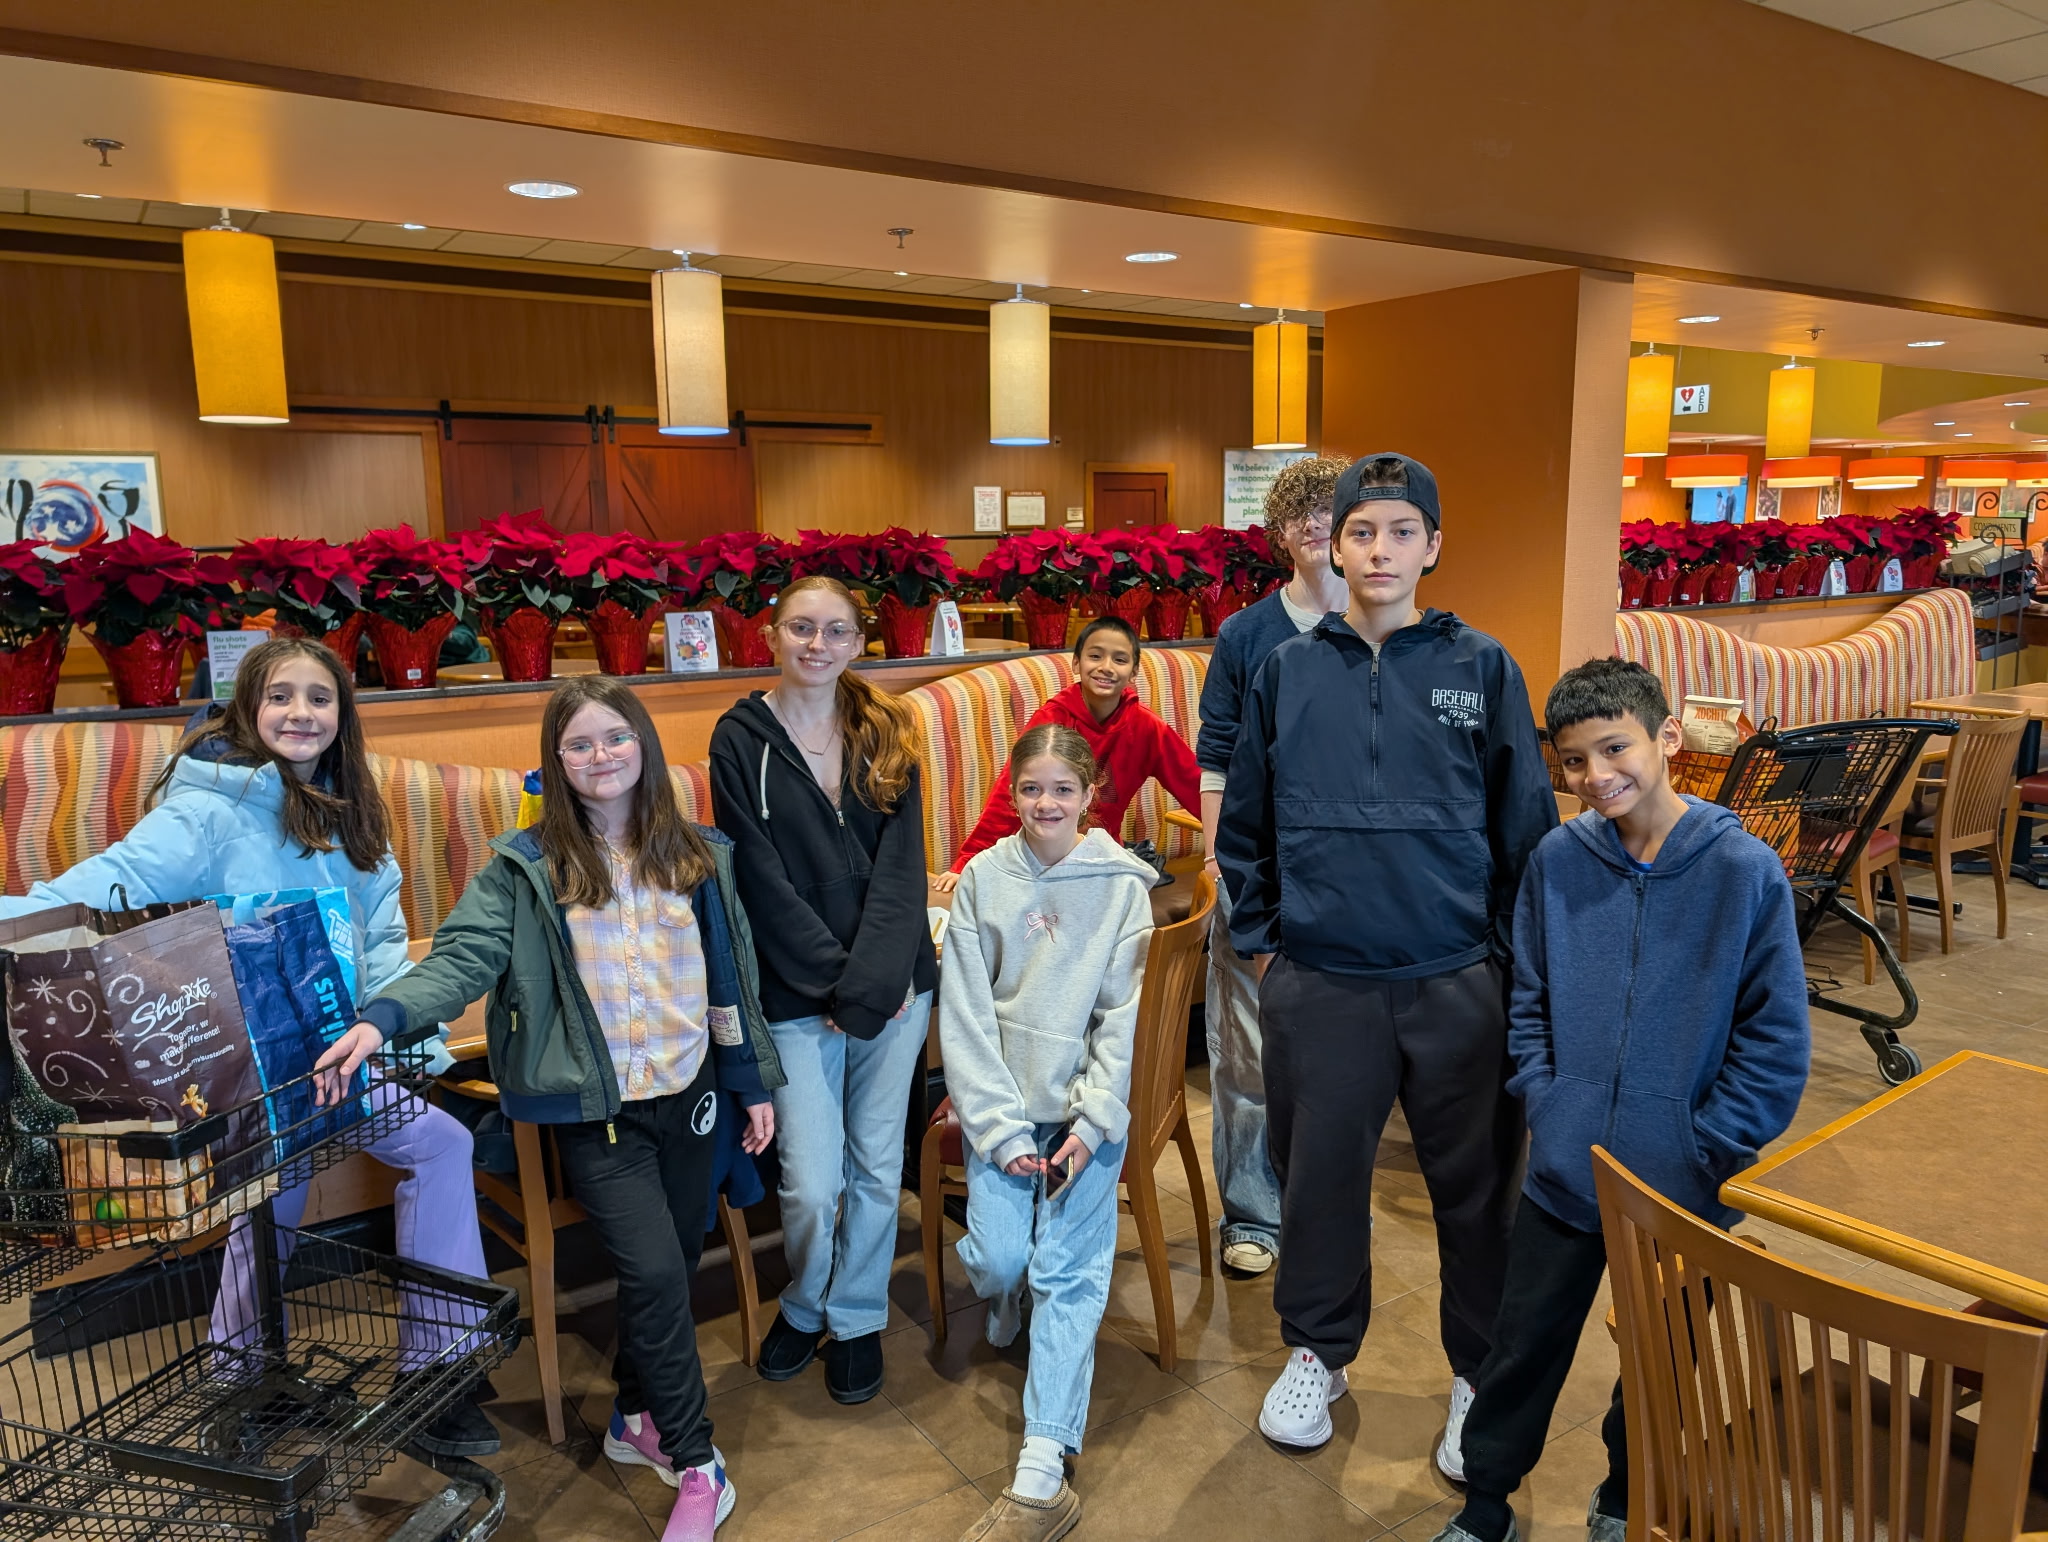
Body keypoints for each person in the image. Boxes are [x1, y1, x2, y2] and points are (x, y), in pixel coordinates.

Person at [0, 636, 498, 1459]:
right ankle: (244, 1387)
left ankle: (431, 1374)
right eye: (280, 697)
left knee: (432, 1146)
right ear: (249, 710)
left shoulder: (353, 813)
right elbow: (89, 890)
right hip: (235, 1072)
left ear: (343, 714)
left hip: (331, 1061)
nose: (300, 713)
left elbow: (380, 941)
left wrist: (415, 1033)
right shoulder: (206, 813)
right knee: (275, 1193)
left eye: (319, 698)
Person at [321, 675, 781, 1542]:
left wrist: (748, 1082)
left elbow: (729, 980)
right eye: (579, 744)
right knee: (649, 1271)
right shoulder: (528, 867)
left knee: (673, 1269)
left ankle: (634, 1418)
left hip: (692, 1100)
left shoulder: (699, 854)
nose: (600, 755)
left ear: (642, 744)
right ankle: (696, 1461)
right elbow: (460, 957)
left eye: (615, 737)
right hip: (596, 1113)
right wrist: (383, 1018)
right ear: (557, 762)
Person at [1215, 452, 1556, 1460]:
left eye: (1400, 531)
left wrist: (1496, 967)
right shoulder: (1285, 668)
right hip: (1320, 985)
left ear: (1431, 548)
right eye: (1361, 531)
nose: (1378, 549)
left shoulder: (1480, 667)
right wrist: (1267, 952)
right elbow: (1245, 830)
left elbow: (1522, 833)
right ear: (1334, 542)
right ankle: (1318, 1352)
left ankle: (1474, 1376)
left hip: (1455, 981)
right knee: (1317, 1182)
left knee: (1476, 1192)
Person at [1428, 658, 1810, 1542]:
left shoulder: (1745, 872)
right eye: (1573, 760)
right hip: (1565, 1177)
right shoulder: (1559, 860)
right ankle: (1487, 1504)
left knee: (1661, 1365)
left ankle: (1623, 1501)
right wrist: (1551, 1101)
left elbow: (1776, 1040)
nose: (1596, 775)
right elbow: (1531, 1001)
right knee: (1519, 1350)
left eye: (1614, 748)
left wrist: (1709, 1145)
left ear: (1666, 738)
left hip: (1684, 1188)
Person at [709, 575, 938, 1405]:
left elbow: (904, 870)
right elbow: (758, 884)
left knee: (879, 1168)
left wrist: (872, 987)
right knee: (811, 1181)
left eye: (835, 631)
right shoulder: (738, 739)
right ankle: (803, 1303)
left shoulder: (886, 726)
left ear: (856, 641)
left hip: (895, 990)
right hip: (795, 995)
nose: (817, 644)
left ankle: (856, 1315)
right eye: (801, 628)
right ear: (770, 635)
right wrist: (834, 986)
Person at [941, 723, 1156, 1542]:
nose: (1045, 803)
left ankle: (1043, 1457)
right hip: (1002, 1108)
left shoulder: (1121, 889)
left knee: (1069, 1272)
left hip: (1082, 1118)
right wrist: (997, 1131)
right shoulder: (982, 885)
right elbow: (963, 1020)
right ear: (1013, 792)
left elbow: (1120, 1019)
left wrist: (1093, 1121)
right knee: (998, 1259)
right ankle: (1008, 1289)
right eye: (1031, 788)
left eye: (1062, 789)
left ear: (1089, 795)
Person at [1193, 453, 1350, 1277]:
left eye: (1335, 509)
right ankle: (1252, 1215)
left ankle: (1321, 1209)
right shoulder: (1248, 634)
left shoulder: (1385, 622)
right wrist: (1224, 860)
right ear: (1280, 533)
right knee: (1246, 1053)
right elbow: (1214, 754)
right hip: (1257, 871)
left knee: (1337, 1055)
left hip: (1353, 882)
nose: (1319, 524)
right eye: (1302, 513)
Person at [933, 615, 1200, 890]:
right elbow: (1007, 795)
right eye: (1095, 656)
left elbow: (1197, 787)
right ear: (1076, 662)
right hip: (1038, 856)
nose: (1106, 667)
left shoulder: (1148, 728)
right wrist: (968, 861)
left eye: (1120, 660)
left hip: (1102, 858)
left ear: (1134, 672)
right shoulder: (1052, 719)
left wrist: (1241, 840)